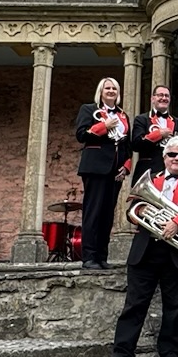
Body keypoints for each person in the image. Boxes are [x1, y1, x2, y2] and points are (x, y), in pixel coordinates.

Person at [103, 137, 178, 357]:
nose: (176, 159)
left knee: (175, 307)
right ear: (164, 157)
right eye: (172, 154)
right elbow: (133, 210)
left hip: (177, 254)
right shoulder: (151, 180)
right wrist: (144, 218)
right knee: (134, 304)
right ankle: (122, 354)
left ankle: (170, 355)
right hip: (146, 251)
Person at [72, 76, 130, 270]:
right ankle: (89, 257)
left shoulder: (123, 115)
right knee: (93, 212)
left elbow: (126, 144)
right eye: (108, 88)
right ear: (101, 91)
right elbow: (81, 135)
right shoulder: (89, 109)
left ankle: (102, 256)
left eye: (114, 88)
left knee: (107, 214)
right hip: (95, 167)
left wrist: (126, 166)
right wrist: (104, 127)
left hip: (115, 170)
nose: (111, 91)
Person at [130, 84, 178, 183]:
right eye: (160, 95)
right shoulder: (141, 119)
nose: (164, 98)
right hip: (147, 171)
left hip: (171, 172)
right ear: (152, 98)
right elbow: (136, 145)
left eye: (166, 96)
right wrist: (159, 134)